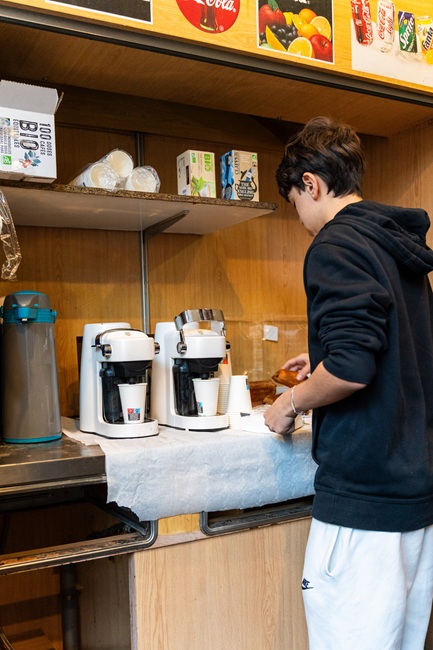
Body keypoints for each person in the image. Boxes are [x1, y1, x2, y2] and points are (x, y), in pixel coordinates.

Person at [264, 116, 433, 650]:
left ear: (310, 184)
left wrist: (290, 403)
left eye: (294, 202)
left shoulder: (335, 244)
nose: (301, 219)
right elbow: (395, 346)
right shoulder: (394, 243)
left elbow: (354, 368)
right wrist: (322, 353)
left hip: (364, 504)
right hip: (414, 499)